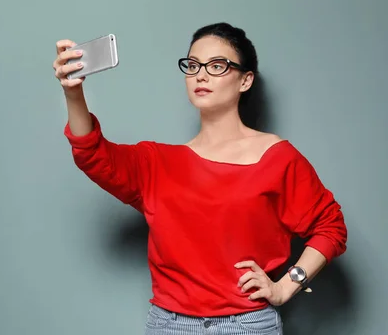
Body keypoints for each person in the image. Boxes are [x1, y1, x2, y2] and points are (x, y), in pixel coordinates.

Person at [52, 23, 347, 335]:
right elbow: (91, 152)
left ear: (245, 80)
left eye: (217, 66)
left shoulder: (277, 158)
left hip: (246, 325)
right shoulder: (158, 163)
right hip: (170, 325)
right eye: (192, 66)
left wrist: (287, 286)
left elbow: (331, 227)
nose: (200, 75)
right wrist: (73, 92)